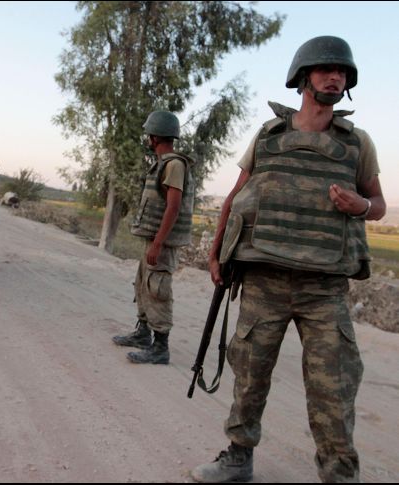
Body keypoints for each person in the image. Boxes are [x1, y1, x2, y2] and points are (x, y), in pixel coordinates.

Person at [191, 36, 385, 483]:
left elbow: (378, 204)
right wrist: (217, 249)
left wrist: (361, 207)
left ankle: (340, 473)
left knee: (333, 387)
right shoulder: (268, 135)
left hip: (325, 287)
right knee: (250, 373)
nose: (335, 77)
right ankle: (238, 456)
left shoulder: (358, 143)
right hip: (265, 278)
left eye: (343, 73)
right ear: (303, 77)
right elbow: (237, 195)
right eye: (326, 70)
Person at [113, 111, 196, 365]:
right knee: (143, 285)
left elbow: (173, 206)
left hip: (163, 242)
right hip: (155, 239)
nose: (147, 138)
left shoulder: (173, 165)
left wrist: (159, 243)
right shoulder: (164, 163)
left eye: (149, 134)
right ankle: (143, 333)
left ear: (156, 136)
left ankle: (160, 348)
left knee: (158, 290)